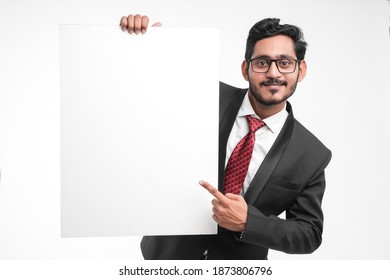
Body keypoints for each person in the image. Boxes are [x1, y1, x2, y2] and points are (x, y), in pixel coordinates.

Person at [120, 14, 332, 260]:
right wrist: (142, 41)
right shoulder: (204, 95)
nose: (273, 73)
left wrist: (249, 222)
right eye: (262, 62)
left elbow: (309, 233)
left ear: (301, 69)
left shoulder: (312, 154)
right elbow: (153, 83)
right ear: (245, 69)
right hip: (165, 258)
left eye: (284, 63)